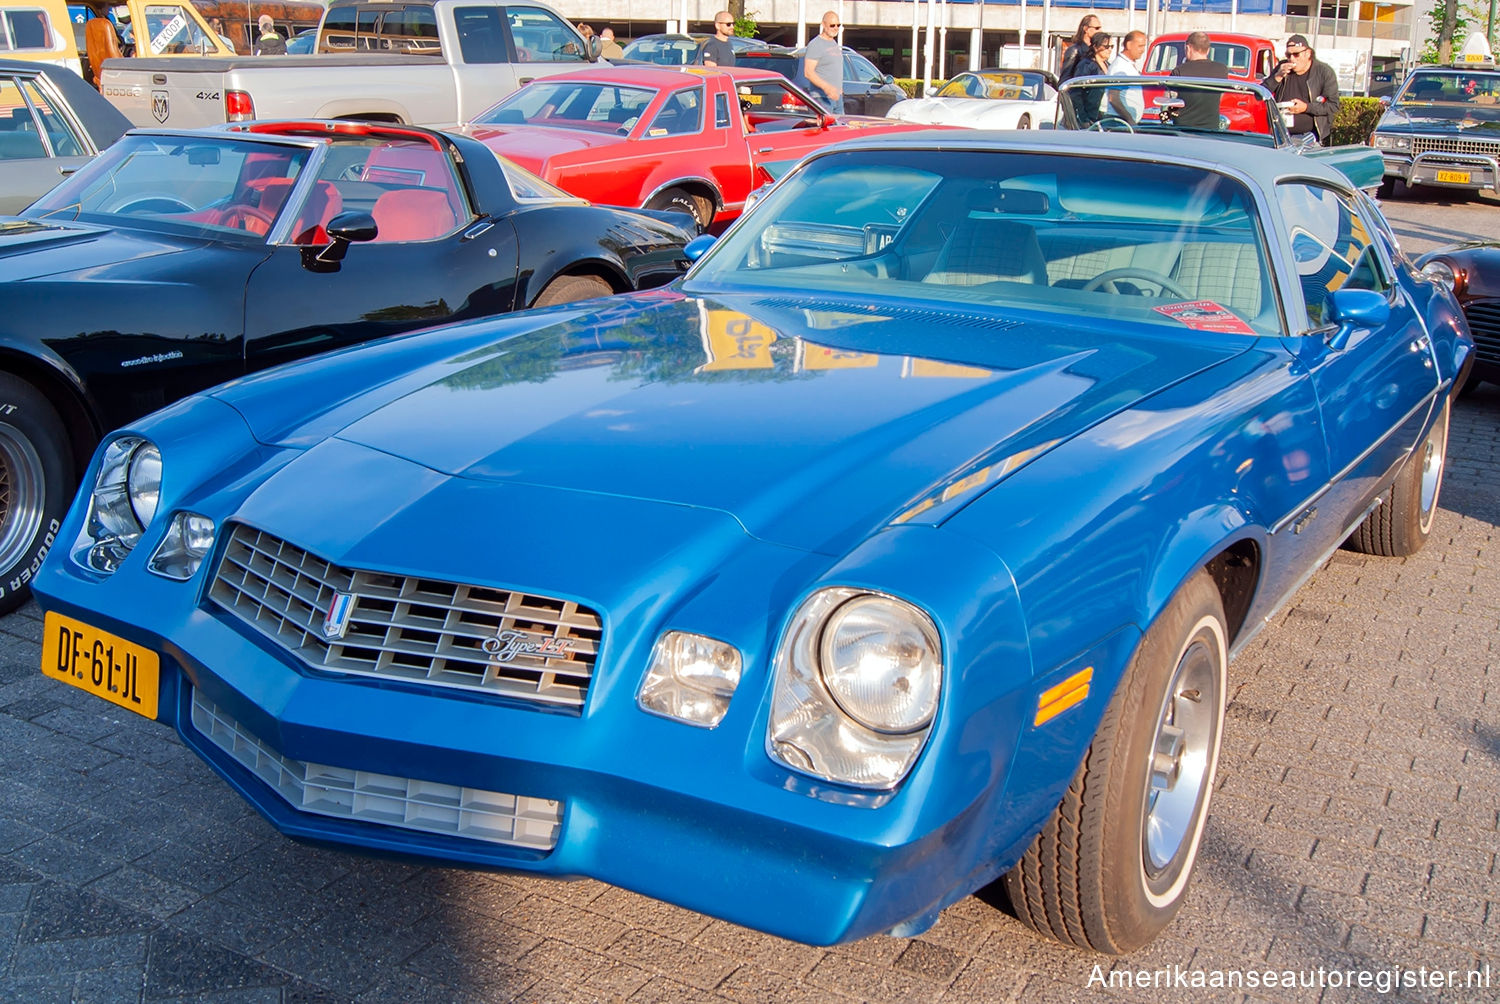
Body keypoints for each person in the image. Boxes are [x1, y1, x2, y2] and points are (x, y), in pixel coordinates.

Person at [1262, 34, 1340, 144]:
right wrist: (1278, 76)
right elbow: (1262, 94)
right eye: (1288, 55)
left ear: (1307, 54)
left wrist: (1306, 107)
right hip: (1280, 133)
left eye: (1296, 54)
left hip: (1310, 136)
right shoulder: (1282, 68)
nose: (1291, 59)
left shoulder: (1324, 72)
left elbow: (1333, 105)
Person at [1169, 30, 1230, 130]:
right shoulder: (1222, 70)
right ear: (1208, 50)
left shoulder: (1179, 71)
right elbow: (1220, 97)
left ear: (1188, 48)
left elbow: (1171, 101)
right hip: (1211, 128)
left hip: (1183, 129)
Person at [803, 11, 844, 114]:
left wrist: (839, 88)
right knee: (824, 130)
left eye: (838, 25)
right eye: (832, 25)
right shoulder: (816, 44)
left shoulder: (833, 43)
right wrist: (827, 88)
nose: (836, 28)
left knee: (839, 130)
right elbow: (808, 72)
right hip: (821, 99)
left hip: (837, 98)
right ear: (823, 25)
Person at [1070, 33, 1113, 125]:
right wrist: (1083, 118)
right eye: (1106, 46)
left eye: (1111, 46)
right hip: (1091, 117)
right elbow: (1076, 93)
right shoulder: (1086, 65)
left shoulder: (1109, 66)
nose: (1110, 49)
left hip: (1106, 115)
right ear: (1095, 47)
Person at [1106, 29, 1147, 122]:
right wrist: (1129, 119)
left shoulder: (1128, 65)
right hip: (1119, 121)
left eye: (1144, 46)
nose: (1143, 50)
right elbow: (1113, 98)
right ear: (1129, 45)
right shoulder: (1120, 67)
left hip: (1124, 121)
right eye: (1140, 46)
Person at [1059, 14, 1101, 83]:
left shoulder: (1095, 51)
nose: (1100, 31)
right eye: (1097, 28)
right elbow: (1065, 78)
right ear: (1086, 29)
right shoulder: (1074, 50)